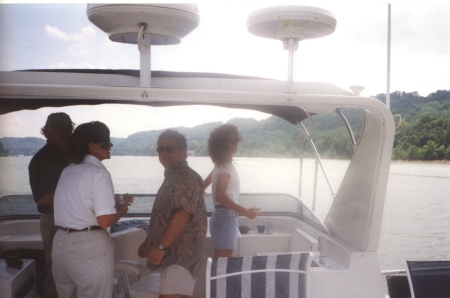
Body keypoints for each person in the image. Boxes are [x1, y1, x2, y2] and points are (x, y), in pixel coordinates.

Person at [51, 121, 133, 298]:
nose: (111, 145)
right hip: (88, 247)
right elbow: (104, 221)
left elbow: (80, 208)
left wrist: (116, 206)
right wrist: (122, 211)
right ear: (93, 146)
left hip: (60, 244)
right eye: (107, 141)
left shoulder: (68, 171)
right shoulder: (99, 174)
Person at [138, 129, 206, 298]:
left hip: (180, 254)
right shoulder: (173, 175)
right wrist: (149, 240)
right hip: (176, 253)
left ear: (183, 151)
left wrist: (161, 247)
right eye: (161, 149)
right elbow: (166, 215)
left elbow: (182, 215)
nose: (164, 153)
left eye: (170, 149)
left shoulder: (184, 177)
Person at [28, 112, 74, 298]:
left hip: (74, 220)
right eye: (59, 128)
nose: (65, 132)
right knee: (56, 271)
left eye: (68, 128)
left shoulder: (72, 155)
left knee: (73, 270)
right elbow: (41, 199)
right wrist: (76, 195)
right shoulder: (40, 160)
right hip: (54, 221)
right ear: (48, 131)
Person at [204, 124, 260, 258]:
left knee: (221, 263)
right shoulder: (226, 167)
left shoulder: (220, 165)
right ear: (221, 143)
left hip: (221, 216)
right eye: (230, 141)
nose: (234, 144)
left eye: (236, 140)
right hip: (226, 216)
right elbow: (220, 196)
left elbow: (203, 185)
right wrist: (246, 211)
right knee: (222, 264)